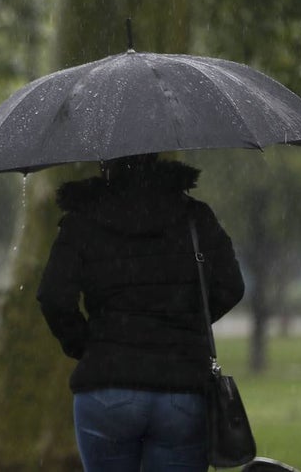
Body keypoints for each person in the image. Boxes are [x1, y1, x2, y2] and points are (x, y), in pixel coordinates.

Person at [37, 153, 245, 472]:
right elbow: (231, 285)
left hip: (107, 386)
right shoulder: (194, 217)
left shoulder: (83, 220)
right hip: (182, 387)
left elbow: (53, 296)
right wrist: (188, 324)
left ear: (107, 165)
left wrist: (89, 346)